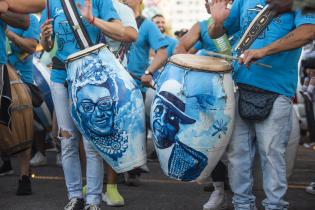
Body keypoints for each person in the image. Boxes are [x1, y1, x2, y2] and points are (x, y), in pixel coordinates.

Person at [208, 0, 315, 209]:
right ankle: (242, 205)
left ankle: (275, 206)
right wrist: (217, 23)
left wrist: (263, 51)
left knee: (272, 154)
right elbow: (223, 45)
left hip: (276, 90)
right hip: (239, 87)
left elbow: (309, 32)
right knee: (238, 155)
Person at [40, 0, 129, 209]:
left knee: (92, 143)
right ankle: (74, 196)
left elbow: (120, 31)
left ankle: (93, 200)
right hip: (60, 75)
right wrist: (45, 38)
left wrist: (93, 20)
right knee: (68, 140)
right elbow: (48, 46)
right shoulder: (51, 2)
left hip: (91, 76)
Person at [174, 4, 233, 209]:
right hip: (213, 93)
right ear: (206, 6)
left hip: (243, 85)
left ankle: (245, 194)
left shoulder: (241, 19)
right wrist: (201, 60)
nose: (215, 3)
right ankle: (219, 191)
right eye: (210, 1)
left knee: (242, 148)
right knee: (211, 142)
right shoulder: (201, 26)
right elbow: (179, 49)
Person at [122, 0, 169, 185]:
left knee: (134, 128)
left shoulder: (147, 25)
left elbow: (162, 52)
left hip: (135, 86)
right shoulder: (115, 20)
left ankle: (133, 169)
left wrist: (149, 72)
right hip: (114, 84)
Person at [151, 79, 208, 181]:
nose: (162, 121)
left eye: (172, 117)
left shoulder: (194, 162)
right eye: (158, 110)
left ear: (179, 125)